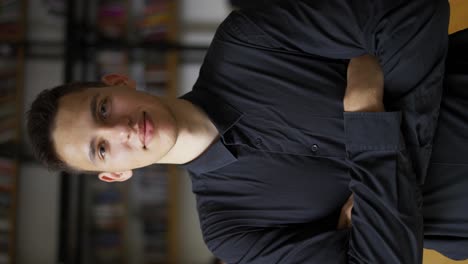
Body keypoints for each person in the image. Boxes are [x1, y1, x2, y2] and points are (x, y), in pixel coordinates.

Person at [26, 0, 455, 263]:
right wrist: (365, 113)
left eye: (103, 109)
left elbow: (412, 13)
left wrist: (388, 201)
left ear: (118, 83)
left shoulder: (245, 41)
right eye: (101, 149)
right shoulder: (231, 233)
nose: (120, 129)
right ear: (114, 175)